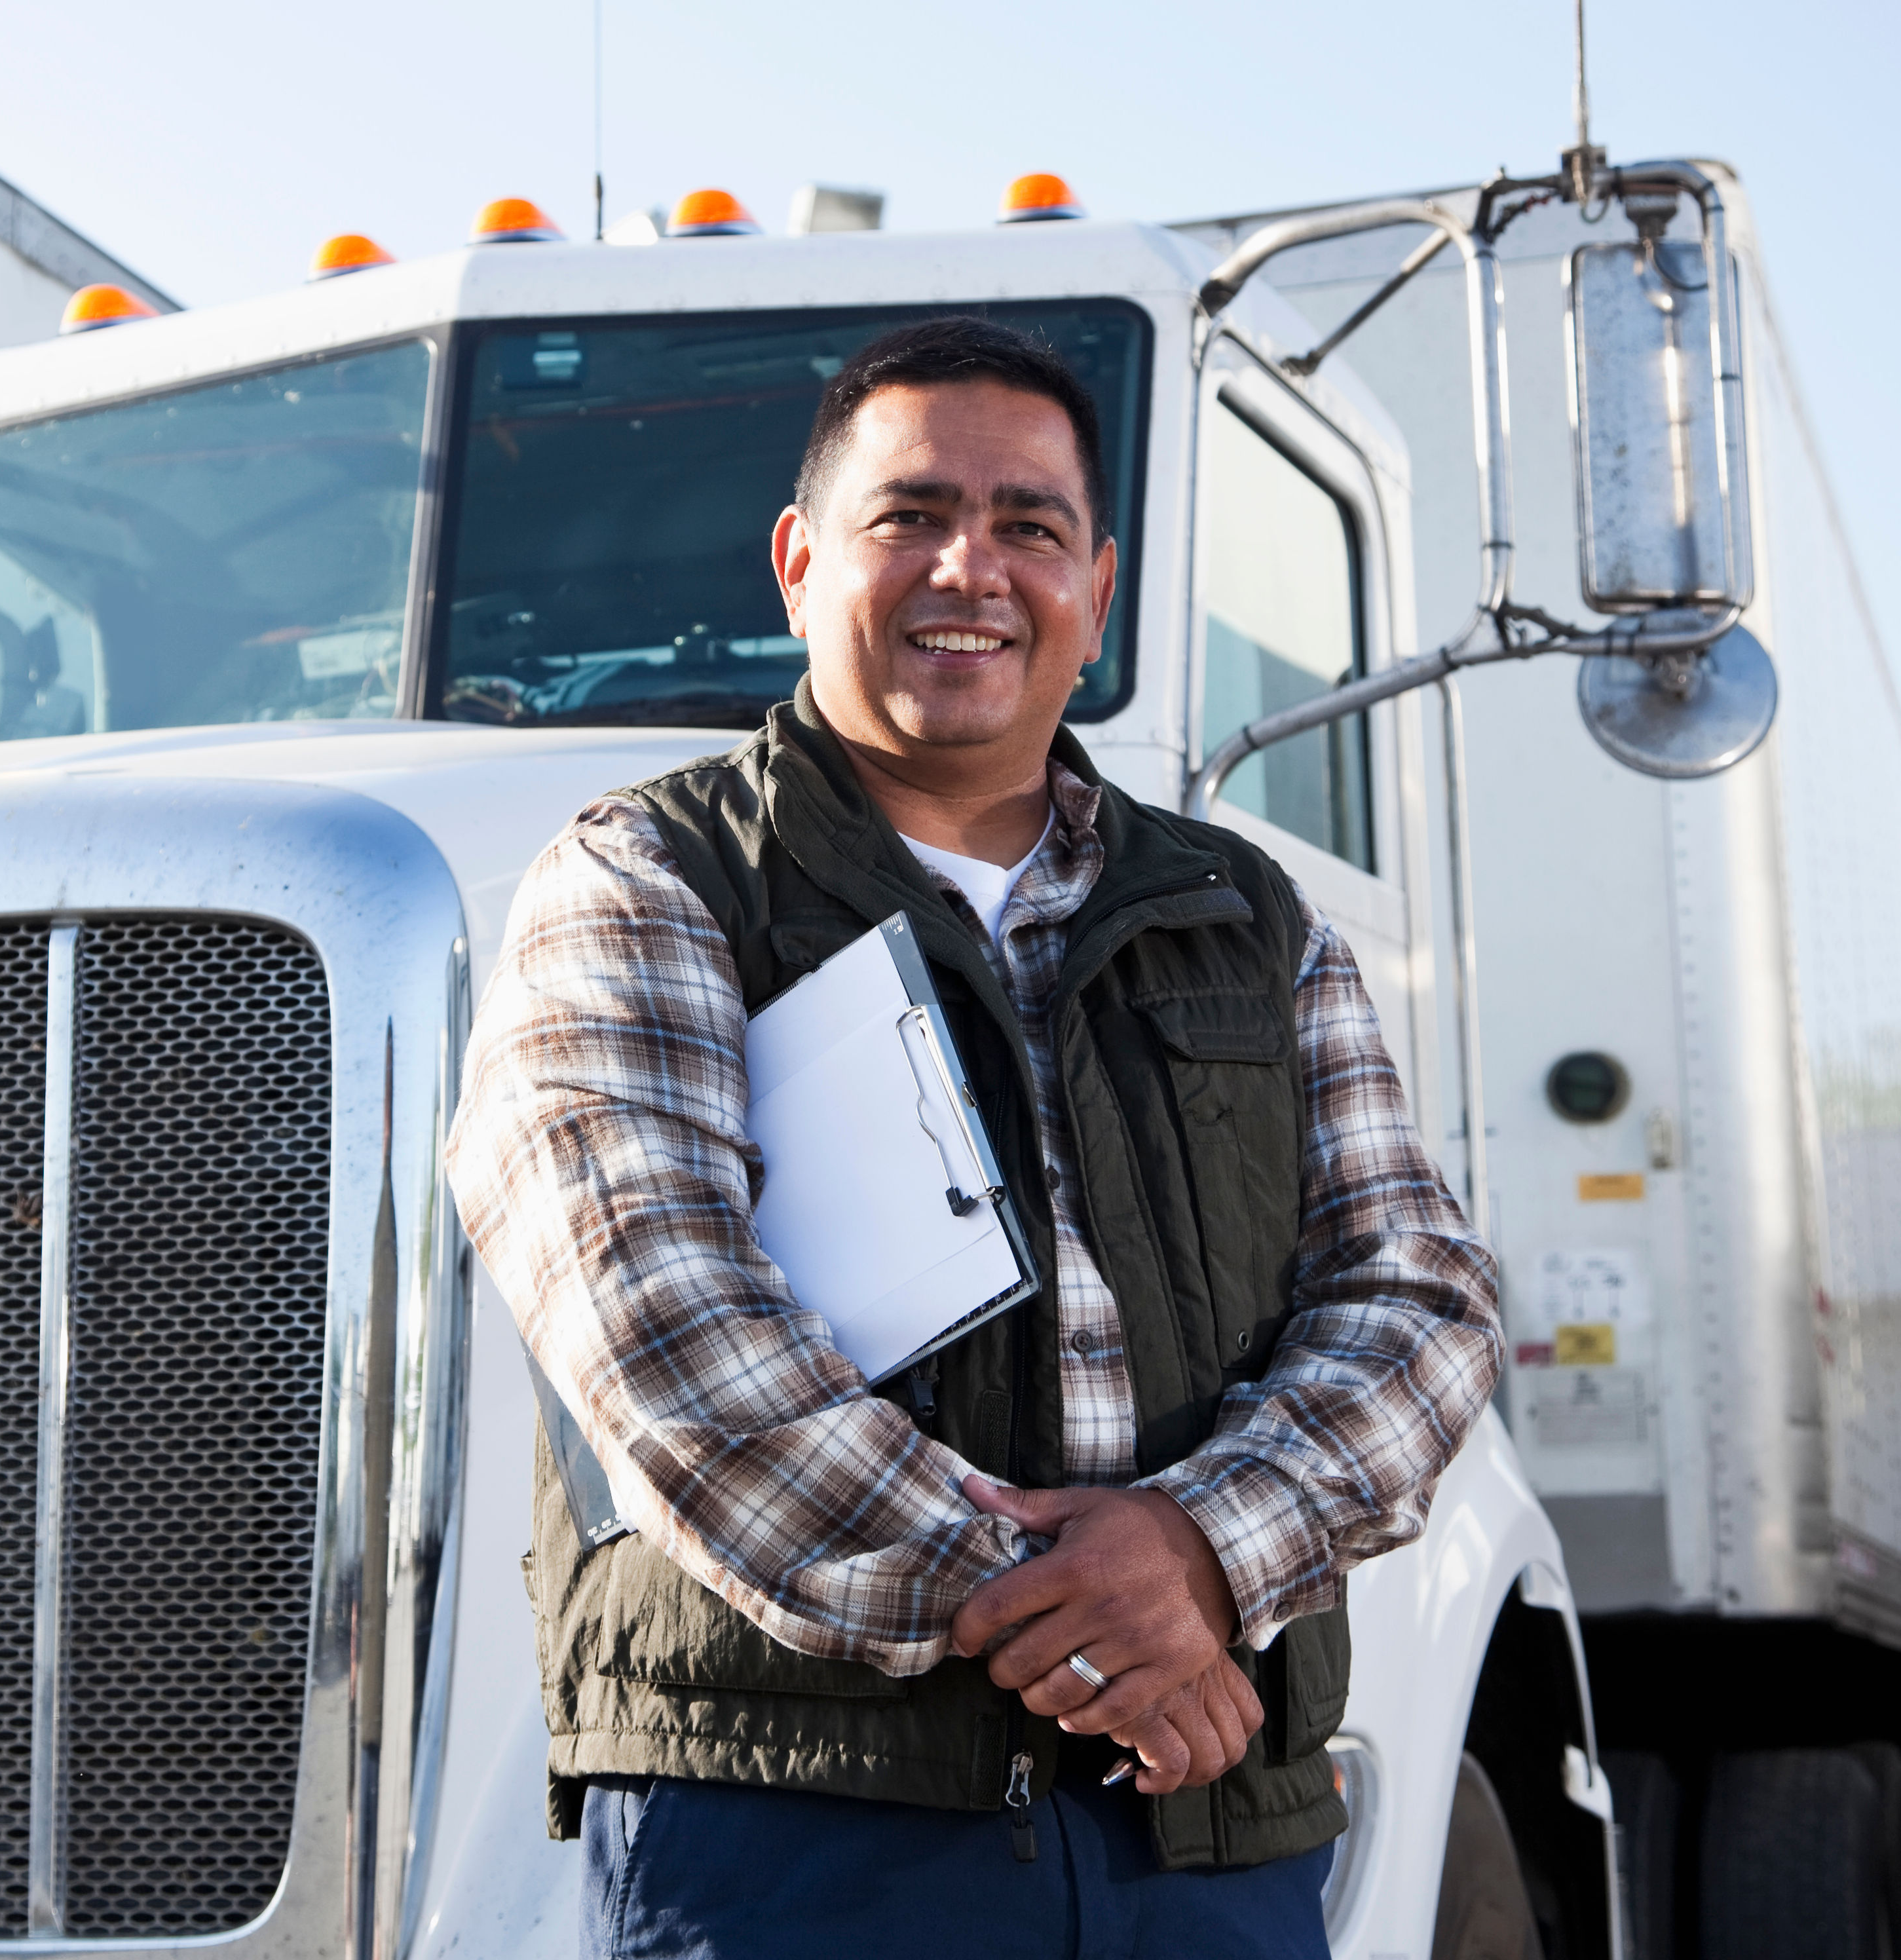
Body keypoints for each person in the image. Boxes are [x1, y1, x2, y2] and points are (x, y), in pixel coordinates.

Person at [445, 316, 1501, 1959]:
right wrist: (1104, 1630)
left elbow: (1417, 1299)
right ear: (799, 562)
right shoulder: (643, 881)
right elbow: (656, 1320)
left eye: (1026, 525)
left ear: (1095, 584)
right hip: (802, 1829)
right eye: (908, 516)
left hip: (1205, 1827)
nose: (968, 568)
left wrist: (1204, 1555)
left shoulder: (1251, 916)